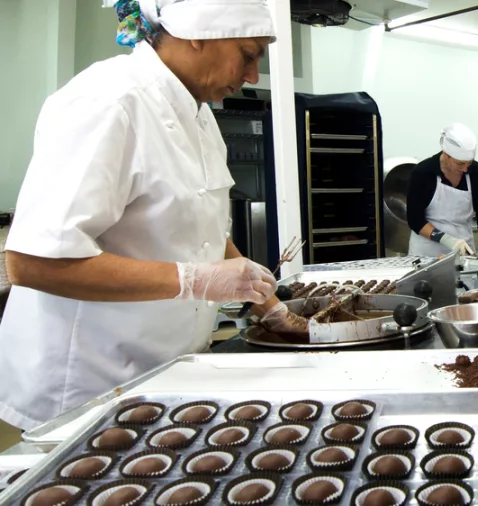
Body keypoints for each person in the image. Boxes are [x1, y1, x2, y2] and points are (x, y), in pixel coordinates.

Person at [0, 0, 307, 430]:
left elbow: (202, 231)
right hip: (90, 383)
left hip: (169, 369)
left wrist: (269, 307)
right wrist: (194, 281)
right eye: (249, 54)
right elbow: (32, 263)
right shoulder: (109, 102)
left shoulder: (199, 116)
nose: (253, 76)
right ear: (200, 34)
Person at [406, 123, 478, 257]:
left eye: (469, 163)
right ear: (446, 154)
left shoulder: (477, 172)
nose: (466, 169)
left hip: (464, 251)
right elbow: (415, 220)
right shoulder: (423, 172)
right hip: (426, 252)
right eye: (460, 163)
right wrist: (448, 240)